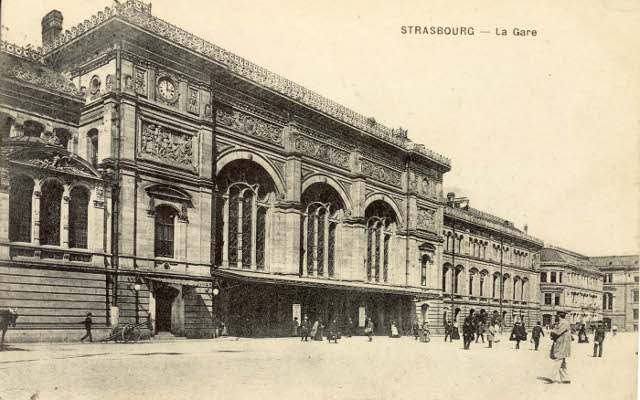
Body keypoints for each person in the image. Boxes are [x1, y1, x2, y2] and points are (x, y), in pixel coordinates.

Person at [548, 311, 572, 384]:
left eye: (556, 315)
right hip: (560, 344)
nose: (555, 317)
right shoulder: (561, 323)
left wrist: (552, 330)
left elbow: (557, 332)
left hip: (562, 345)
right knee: (562, 362)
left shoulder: (564, 323)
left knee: (558, 360)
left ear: (559, 316)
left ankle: (552, 378)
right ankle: (565, 379)